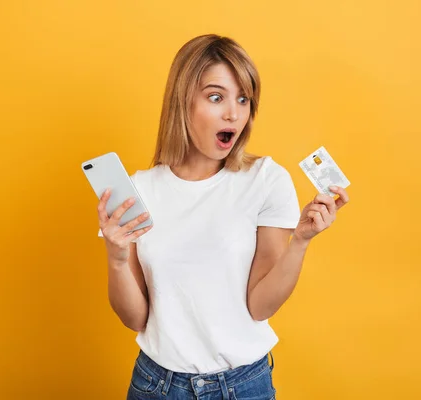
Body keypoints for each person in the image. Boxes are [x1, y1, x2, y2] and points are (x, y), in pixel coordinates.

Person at [96, 34, 350, 400]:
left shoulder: (265, 179)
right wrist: (117, 259)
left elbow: (260, 306)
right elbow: (135, 318)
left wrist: (302, 241)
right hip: (157, 386)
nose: (234, 113)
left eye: (243, 99)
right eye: (216, 98)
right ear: (182, 102)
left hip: (243, 386)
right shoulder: (140, 190)